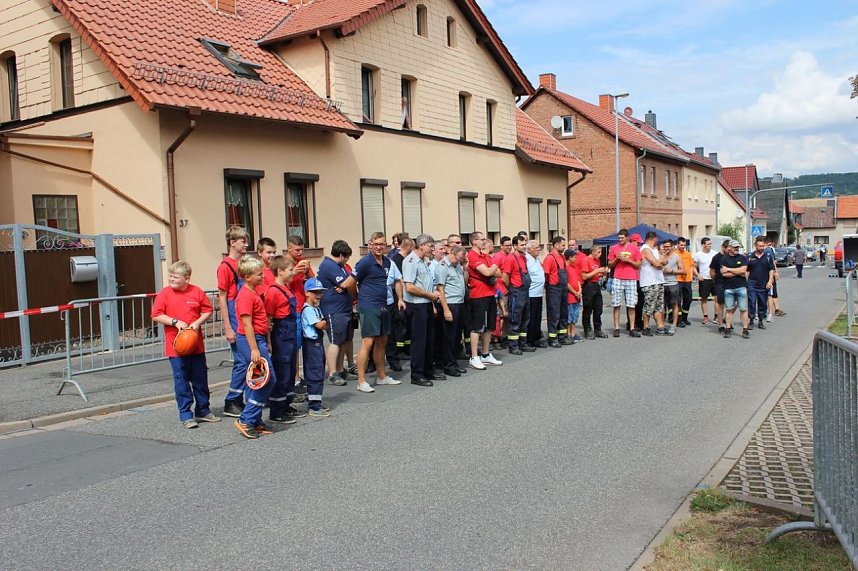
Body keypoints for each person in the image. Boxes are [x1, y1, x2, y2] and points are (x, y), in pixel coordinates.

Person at [151, 261, 218, 429]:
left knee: (200, 380)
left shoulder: (196, 292)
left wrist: (196, 323)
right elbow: (156, 315)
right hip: (176, 348)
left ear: (187, 278)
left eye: (175, 276)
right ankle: (186, 414)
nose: (171, 279)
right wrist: (175, 322)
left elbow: (207, 310)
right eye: (170, 276)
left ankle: (203, 410)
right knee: (182, 382)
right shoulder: (165, 293)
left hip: (196, 346)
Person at [340, 232, 400, 392]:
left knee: (382, 341)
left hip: (384, 305)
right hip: (369, 306)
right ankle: (361, 381)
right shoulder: (364, 262)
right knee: (368, 342)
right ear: (370, 245)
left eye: (382, 244)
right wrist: (357, 298)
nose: (379, 247)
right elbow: (350, 283)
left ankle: (381, 377)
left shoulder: (387, 261)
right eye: (376, 244)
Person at [232, 255, 277, 439]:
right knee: (268, 379)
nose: (262, 277)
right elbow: (247, 324)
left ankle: (255, 420)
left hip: (258, 339)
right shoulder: (245, 296)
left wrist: (266, 340)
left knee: (257, 380)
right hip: (251, 341)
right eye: (259, 274)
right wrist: (254, 349)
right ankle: (246, 418)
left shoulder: (253, 292)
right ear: (247, 276)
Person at [263, 255, 305, 424]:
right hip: (281, 334)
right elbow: (268, 317)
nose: (292, 272)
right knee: (281, 372)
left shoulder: (287, 288)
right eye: (289, 270)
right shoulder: (273, 291)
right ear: (280, 271)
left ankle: (287, 404)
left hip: (290, 334)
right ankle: (276, 411)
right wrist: (269, 341)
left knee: (289, 372)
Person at [217, 225, 249, 418]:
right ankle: (232, 399)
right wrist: (228, 327)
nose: (246, 244)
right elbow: (222, 298)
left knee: (247, 360)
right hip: (234, 317)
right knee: (242, 361)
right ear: (232, 243)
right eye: (243, 241)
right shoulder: (225, 267)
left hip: (243, 314)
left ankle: (239, 398)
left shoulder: (243, 264)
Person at [317, 240, 356, 387]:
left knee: (344, 340)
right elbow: (347, 283)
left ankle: (340, 369)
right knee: (335, 341)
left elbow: (349, 284)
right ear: (341, 255)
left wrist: (347, 285)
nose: (347, 261)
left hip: (344, 308)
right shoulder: (329, 266)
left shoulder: (340, 267)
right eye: (346, 257)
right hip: (334, 310)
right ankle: (332, 373)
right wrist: (347, 285)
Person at [403, 234, 441, 386]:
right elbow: (410, 287)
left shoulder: (423, 261)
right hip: (416, 305)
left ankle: (428, 370)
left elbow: (426, 284)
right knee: (419, 341)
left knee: (429, 339)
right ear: (422, 245)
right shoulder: (411, 261)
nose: (432, 249)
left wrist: (431, 300)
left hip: (426, 303)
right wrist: (430, 295)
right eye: (430, 246)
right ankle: (417, 374)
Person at [466, 231, 503, 370]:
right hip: (478, 295)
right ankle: (474, 356)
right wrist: (496, 263)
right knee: (477, 326)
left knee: (489, 326)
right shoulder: (472, 255)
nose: (484, 241)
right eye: (482, 239)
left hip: (490, 293)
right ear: (474, 241)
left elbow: (498, 273)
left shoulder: (484, 256)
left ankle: (486, 354)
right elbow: (488, 272)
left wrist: (492, 267)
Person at [435, 245, 468, 377]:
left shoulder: (458, 266)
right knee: (448, 337)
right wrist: (446, 310)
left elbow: (464, 283)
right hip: (450, 304)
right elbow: (440, 290)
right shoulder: (443, 267)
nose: (462, 260)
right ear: (453, 254)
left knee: (455, 337)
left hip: (459, 303)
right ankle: (448, 365)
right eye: (460, 257)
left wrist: (465, 268)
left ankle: (453, 362)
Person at [300, 278, 331, 416]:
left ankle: (316, 402)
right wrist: (325, 321)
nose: (318, 295)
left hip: (318, 343)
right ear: (307, 293)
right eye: (315, 292)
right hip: (312, 344)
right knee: (315, 372)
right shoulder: (308, 310)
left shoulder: (316, 308)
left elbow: (324, 324)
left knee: (319, 370)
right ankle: (314, 406)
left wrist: (324, 322)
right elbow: (320, 325)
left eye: (320, 292)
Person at [502, 235, 534, 355]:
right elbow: (504, 277)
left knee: (525, 319)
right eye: (521, 245)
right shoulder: (511, 259)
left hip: (525, 291)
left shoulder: (524, 258)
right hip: (516, 292)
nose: (524, 247)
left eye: (525, 244)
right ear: (515, 246)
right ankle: (513, 346)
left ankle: (523, 343)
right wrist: (512, 288)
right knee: (515, 319)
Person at [608, 229, 642, 337]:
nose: (620, 240)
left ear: (627, 237)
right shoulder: (614, 248)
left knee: (631, 304)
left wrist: (629, 261)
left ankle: (632, 328)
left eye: (622, 238)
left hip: (631, 278)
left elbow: (638, 265)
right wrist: (617, 259)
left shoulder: (635, 248)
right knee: (616, 303)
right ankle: (616, 327)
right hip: (618, 277)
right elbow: (610, 265)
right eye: (619, 238)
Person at [542, 235, 570, 347]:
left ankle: (562, 336)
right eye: (563, 245)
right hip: (554, 289)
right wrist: (548, 288)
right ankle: (552, 338)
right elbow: (546, 275)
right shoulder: (550, 258)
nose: (564, 247)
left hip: (563, 288)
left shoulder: (562, 257)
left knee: (563, 313)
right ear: (556, 245)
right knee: (554, 314)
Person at [720, 240, 751, 339]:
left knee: (743, 309)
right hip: (728, 288)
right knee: (729, 309)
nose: (736, 249)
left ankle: (745, 330)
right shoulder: (724, 259)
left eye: (738, 247)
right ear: (730, 247)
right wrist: (737, 272)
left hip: (741, 287)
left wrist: (729, 269)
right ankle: (728, 329)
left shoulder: (742, 258)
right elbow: (723, 274)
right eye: (734, 247)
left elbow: (743, 271)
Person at [638, 231, 668, 335]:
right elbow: (656, 264)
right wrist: (658, 263)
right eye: (656, 239)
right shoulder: (645, 249)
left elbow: (664, 261)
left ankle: (660, 327)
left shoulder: (655, 249)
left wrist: (661, 258)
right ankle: (646, 327)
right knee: (649, 306)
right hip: (649, 282)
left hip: (659, 280)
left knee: (659, 306)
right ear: (653, 238)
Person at [580, 245, 609, 339]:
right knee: (588, 309)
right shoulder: (586, 260)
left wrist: (603, 273)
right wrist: (597, 271)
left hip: (596, 285)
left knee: (598, 309)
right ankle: (587, 330)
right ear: (593, 252)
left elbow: (596, 273)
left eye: (601, 252)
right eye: (598, 252)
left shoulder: (597, 260)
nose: (600, 254)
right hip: (588, 286)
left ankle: (598, 329)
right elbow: (584, 276)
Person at [747, 237, 775, 330]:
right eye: (760, 246)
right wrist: (746, 282)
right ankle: (751, 321)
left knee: (762, 303)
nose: (762, 248)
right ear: (755, 246)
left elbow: (771, 270)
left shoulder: (767, 256)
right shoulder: (750, 257)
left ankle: (760, 321)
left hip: (763, 284)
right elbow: (747, 271)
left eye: (763, 246)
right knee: (751, 302)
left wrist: (770, 281)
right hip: (752, 284)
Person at [525, 240, 546, 349]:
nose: (539, 249)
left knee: (537, 318)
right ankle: (529, 340)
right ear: (529, 249)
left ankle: (536, 338)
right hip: (531, 293)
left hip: (539, 293)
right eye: (536, 247)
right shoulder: (527, 260)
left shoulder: (536, 259)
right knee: (531, 319)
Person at [660, 239, 684, 334]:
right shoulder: (660, 256)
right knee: (661, 306)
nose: (666, 248)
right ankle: (662, 325)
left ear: (672, 247)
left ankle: (674, 325)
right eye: (664, 246)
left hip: (673, 283)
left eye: (668, 246)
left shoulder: (676, 257)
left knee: (674, 305)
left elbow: (683, 271)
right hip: (661, 283)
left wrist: (672, 271)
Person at [692, 237, 716, 325]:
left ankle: (716, 316)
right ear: (703, 245)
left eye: (710, 244)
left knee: (717, 298)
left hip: (714, 279)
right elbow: (693, 266)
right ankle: (705, 316)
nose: (710, 246)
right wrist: (698, 274)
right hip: (704, 279)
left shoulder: (714, 254)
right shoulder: (698, 255)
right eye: (708, 244)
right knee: (704, 298)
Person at [709, 239, 730, 332]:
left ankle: (728, 320)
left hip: (731, 283)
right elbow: (712, 272)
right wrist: (715, 281)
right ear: (723, 248)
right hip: (720, 283)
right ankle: (721, 324)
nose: (730, 251)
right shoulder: (717, 258)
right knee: (720, 304)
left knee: (732, 304)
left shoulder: (732, 257)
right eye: (728, 249)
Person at [764, 238, 786, 319]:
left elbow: (773, 261)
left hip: (770, 273)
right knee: (771, 292)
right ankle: (773, 310)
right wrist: (775, 272)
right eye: (768, 243)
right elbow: (772, 262)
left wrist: (775, 271)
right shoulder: (768, 251)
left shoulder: (768, 250)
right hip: (769, 274)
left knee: (773, 292)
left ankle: (776, 309)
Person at [564, 249, 583, 343]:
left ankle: (573, 333)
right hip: (570, 296)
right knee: (569, 316)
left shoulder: (573, 267)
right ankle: (568, 334)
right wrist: (574, 292)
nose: (576, 258)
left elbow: (578, 280)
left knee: (575, 315)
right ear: (570, 257)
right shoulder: (565, 268)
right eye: (574, 257)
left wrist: (579, 290)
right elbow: (566, 283)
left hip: (577, 296)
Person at [675, 237, 694, 326]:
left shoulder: (688, 254)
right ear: (677, 244)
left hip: (687, 280)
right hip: (678, 280)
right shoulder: (675, 254)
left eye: (684, 245)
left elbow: (692, 266)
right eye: (681, 245)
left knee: (688, 299)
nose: (683, 247)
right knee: (678, 300)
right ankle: (679, 320)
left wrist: (695, 275)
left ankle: (685, 317)